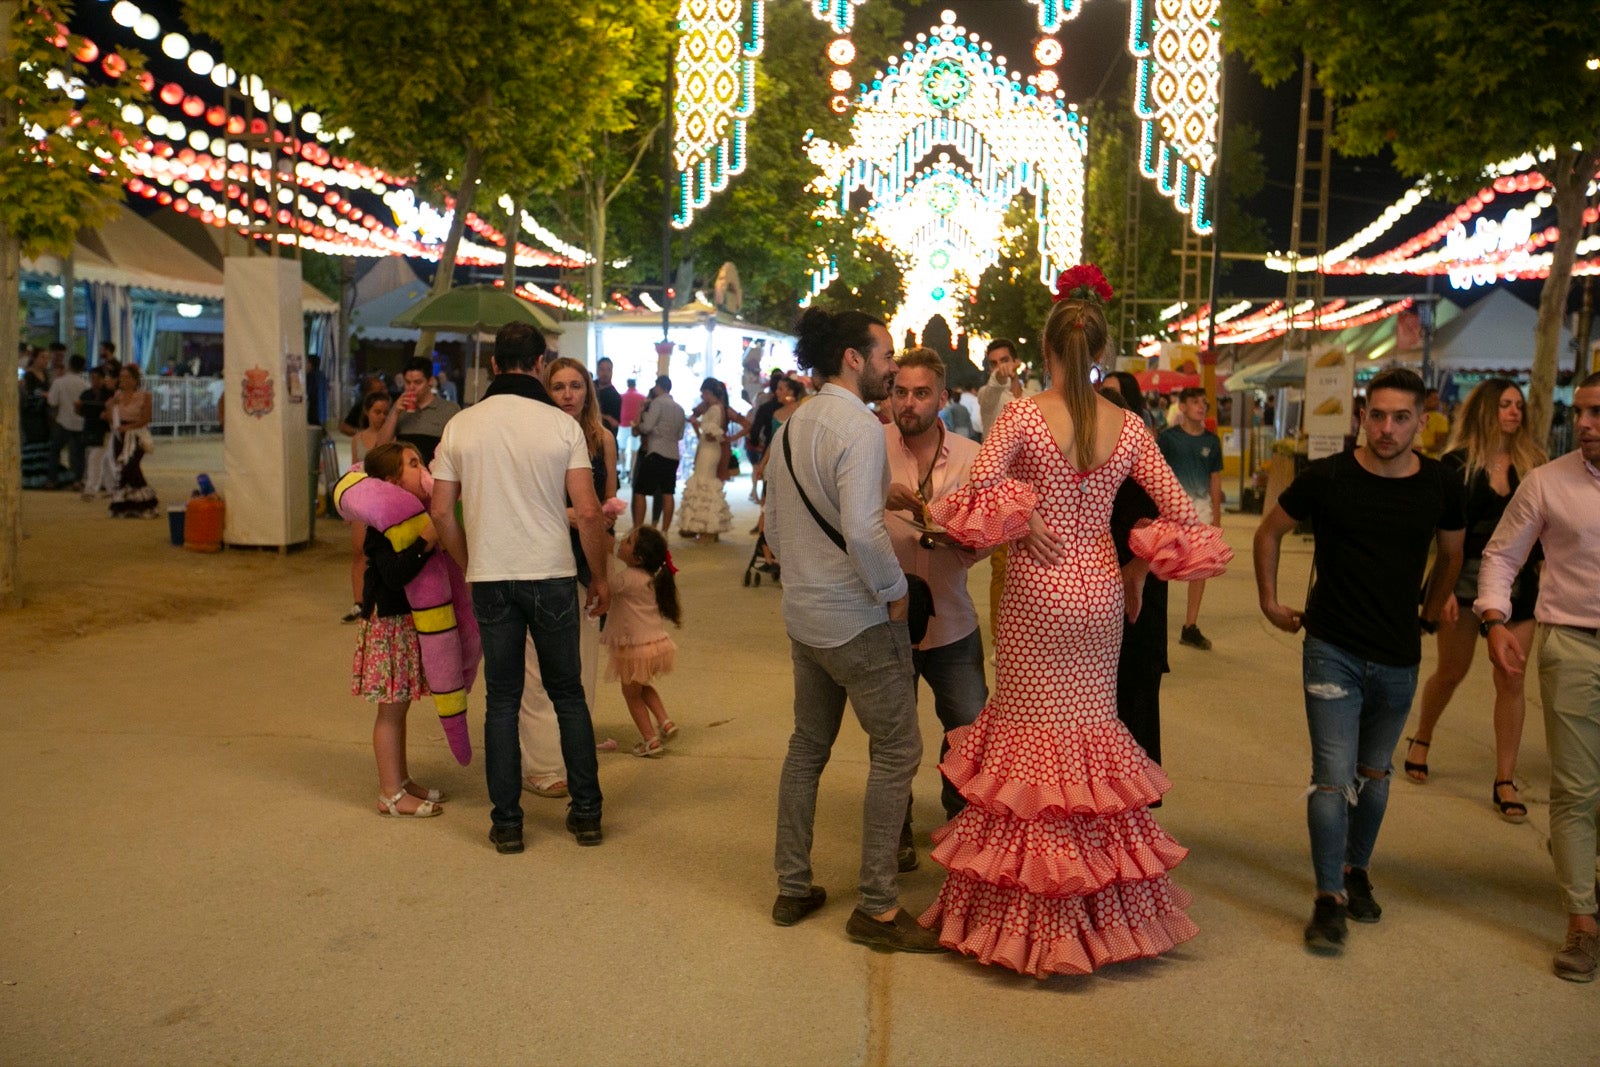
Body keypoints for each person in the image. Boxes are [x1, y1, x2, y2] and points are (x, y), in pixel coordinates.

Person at [921, 267, 1228, 977]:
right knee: (1089, 741)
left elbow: (973, 493)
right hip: (1097, 594)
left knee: (1030, 742)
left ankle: (1027, 916)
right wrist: (1137, 561)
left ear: (1046, 348)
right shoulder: (1128, 426)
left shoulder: (1024, 414)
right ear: (1100, 351)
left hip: (1037, 587)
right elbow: (1183, 513)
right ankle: (1095, 912)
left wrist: (1022, 521)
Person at [1253, 367, 1465, 955]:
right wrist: (1268, 600)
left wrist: (1429, 608)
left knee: (1374, 774)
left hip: (1398, 653)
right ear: (1361, 417)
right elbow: (1268, 532)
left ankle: (1357, 870)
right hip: (1331, 648)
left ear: (1422, 421)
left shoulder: (1442, 485)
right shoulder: (1328, 478)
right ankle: (1329, 899)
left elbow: (1453, 552)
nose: (1387, 428)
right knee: (1331, 776)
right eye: (1377, 415)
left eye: (1401, 418)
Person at [765, 306, 942, 954]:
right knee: (897, 748)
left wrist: (811, 575)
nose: (892, 368)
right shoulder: (862, 430)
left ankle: (792, 884)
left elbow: (775, 531)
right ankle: (877, 904)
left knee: (807, 745)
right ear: (852, 357)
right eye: (886, 355)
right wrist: (894, 592)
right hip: (856, 619)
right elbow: (866, 532)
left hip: (803, 616)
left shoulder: (790, 425)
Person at [428, 322, 612, 854]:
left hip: (491, 577)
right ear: (539, 364)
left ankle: (507, 823)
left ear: (492, 365)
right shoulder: (560, 427)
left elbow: (441, 508)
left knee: (502, 701)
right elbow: (589, 510)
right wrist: (599, 577)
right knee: (569, 696)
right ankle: (587, 816)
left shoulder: (462, 426)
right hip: (552, 574)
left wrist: (469, 563)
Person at [1474, 371, 1600, 982]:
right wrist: (1495, 618)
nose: (1584, 424)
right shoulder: (1549, 483)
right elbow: (1502, 555)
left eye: (1597, 412)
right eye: (1581, 412)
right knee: (1576, 789)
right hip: (1572, 645)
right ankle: (1582, 923)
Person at [1403, 379, 1545, 822]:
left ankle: (1505, 777)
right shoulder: (1456, 464)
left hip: (1518, 581)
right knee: (1452, 670)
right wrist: (1440, 589)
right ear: (1485, 409)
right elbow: (1438, 535)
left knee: (1512, 676)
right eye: (1505, 404)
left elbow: (1544, 533)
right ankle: (1422, 735)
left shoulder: (1534, 464)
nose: (1514, 412)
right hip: (1464, 575)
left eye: (1518, 405)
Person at [882, 347, 989, 868]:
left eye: (921, 393)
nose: (908, 402)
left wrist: (967, 539)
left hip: (950, 618)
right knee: (894, 734)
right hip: (886, 621)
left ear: (942, 398)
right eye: (900, 391)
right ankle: (894, 830)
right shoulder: (871, 446)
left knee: (968, 729)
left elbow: (990, 532)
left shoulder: (972, 456)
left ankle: (961, 825)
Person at [516, 356, 618, 800]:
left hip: (589, 557)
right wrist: (574, 516)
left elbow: (609, 496)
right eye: (558, 387)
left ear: (588, 392)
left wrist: (605, 525)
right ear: (546, 390)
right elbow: (521, 502)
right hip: (542, 557)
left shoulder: (603, 439)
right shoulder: (533, 438)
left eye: (576, 386)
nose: (568, 394)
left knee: (582, 663)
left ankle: (573, 748)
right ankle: (539, 764)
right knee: (538, 668)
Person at [350, 442, 447, 818]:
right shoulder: (384, 521)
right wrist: (428, 538)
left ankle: (401, 779)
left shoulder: (409, 513)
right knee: (390, 711)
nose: (420, 467)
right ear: (391, 481)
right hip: (387, 622)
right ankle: (389, 793)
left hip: (404, 620)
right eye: (412, 464)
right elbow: (392, 574)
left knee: (401, 706)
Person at [1099, 378, 1172, 770]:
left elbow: (1175, 520)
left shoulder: (1142, 459)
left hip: (1136, 604)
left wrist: (1138, 566)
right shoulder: (1077, 465)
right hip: (1094, 602)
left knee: (1134, 706)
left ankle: (1132, 809)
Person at [602, 526, 681, 758]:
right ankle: (664, 721)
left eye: (627, 541)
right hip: (655, 645)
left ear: (637, 558)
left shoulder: (628, 579)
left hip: (633, 650)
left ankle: (650, 740)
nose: (621, 541)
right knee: (643, 686)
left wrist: (606, 554)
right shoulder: (650, 579)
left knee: (631, 694)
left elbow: (607, 585)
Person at [1159, 386, 1224, 651]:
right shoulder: (1167, 439)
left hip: (1202, 513)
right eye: (1195, 402)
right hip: (1171, 514)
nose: (1201, 406)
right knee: (1161, 567)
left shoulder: (1212, 442)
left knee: (1199, 569)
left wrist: (1216, 519)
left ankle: (1190, 625)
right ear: (1182, 407)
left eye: (1204, 402)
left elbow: (1215, 479)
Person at [977, 339, 1024, 652]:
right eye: (993, 363)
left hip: (1039, 494)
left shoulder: (1036, 394)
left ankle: (1028, 636)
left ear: (1016, 360)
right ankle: (1000, 641)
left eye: (1004, 360)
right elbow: (992, 390)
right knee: (1002, 568)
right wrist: (999, 379)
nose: (1000, 367)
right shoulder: (988, 395)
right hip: (1002, 495)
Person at [341, 391, 396, 625]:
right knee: (359, 551)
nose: (381, 417)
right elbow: (353, 471)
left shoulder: (391, 441)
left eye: (385, 412)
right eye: (376, 412)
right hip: (362, 500)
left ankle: (379, 599)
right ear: (367, 412)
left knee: (383, 551)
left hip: (382, 501)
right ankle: (359, 601)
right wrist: (347, 504)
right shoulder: (358, 439)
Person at [678, 377, 734, 541]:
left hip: (709, 450)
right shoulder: (716, 408)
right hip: (707, 449)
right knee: (705, 483)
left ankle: (706, 528)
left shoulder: (715, 409)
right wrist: (698, 425)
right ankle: (706, 528)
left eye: (703, 393)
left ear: (708, 392)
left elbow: (711, 435)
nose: (702, 396)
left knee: (704, 484)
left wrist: (699, 423)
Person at [377, 357, 460, 466]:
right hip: (404, 474)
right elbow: (381, 446)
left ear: (430, 381)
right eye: (407, 382)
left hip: (435, 474)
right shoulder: (399, 408)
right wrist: (395, 412)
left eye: (417, 382)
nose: (411, 387)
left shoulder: (449, 409)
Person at [630, 375, 687, 534]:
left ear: (658, 387)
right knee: (668, 492)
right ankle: (665, 531)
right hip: (673, 455)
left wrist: (638, 424)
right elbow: (680, 435)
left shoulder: (657, 403)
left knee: (640, 491)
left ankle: (638, 529)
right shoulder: (679, 408)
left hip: (656, 452)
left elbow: (647, 427)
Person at [106, 365, 159, 518]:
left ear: (135, 380)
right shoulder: (117, 395)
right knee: (127, 469)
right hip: (119, 436)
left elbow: (146, 418)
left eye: (127, 377)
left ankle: (143, 503)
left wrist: (128, 427)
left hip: (136, 435)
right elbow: (110, 417)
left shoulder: (145, 396)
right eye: (121, 377)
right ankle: (132, 505)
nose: (123, 380)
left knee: (130, 466)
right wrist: (112, 404)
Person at [47, 354, 89, 490]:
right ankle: (77, 480)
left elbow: (52, 401)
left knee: (55, 450)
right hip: (80, 423)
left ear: (69, 365)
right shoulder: (85, 385)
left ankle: (52, 480)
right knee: (79, 453)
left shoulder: (59, 382)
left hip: (62, 421)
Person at [77, 366, 115, 500]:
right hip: (90, 429)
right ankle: (113, 488)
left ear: (103, 379)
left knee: (95, 459)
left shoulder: (109, 394)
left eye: (97, 377)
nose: (94, 380)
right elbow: (81, 412)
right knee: (105, 461)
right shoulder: (86, 394)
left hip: (105, 431)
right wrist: (78, 408)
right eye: (92, 377)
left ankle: (90, 490)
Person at [19, 348, 53, 489]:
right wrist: (44, 395)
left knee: (45, 441)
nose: (45, 361)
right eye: (43, 357)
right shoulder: (28, 375)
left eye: (47, 358)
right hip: (32, 415)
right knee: (34, 442)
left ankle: (44, 477)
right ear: (35, 358)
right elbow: (29, 394)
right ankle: (32, 478)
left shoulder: (46, 374)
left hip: (44, 414)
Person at [617, 376, 645, 478]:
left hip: (623, 423)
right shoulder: (642, 397)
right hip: (635, 425)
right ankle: (632, 473)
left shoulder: (621, 396)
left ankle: (623, 470)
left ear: (627, 384)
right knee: (634, 450)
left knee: (622, 448)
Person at [1418, 387, 1451, 458]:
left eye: (1438, 399)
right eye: (1434, 399)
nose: (1438, 402)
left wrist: (1421, 449)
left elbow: (1440, 445)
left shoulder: (1440, 419)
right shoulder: (1414, 415)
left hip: (1429, 460)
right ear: (1425, 400)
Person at [594, 356, 622, 436]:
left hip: (605, 438)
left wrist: (595, 415)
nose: (605, 373)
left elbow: (615, 423)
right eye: (602, 369)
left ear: (612, 372)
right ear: (597, 371)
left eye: (608, 370)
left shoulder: (615, 396)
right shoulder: (589, 388)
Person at [304, 354, 328, 427]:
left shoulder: (310, 375)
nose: (305, 365)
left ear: (310, 364)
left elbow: (307, 392)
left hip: (314, 411)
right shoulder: (322, 375)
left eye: (306, 362)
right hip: (323, 412)